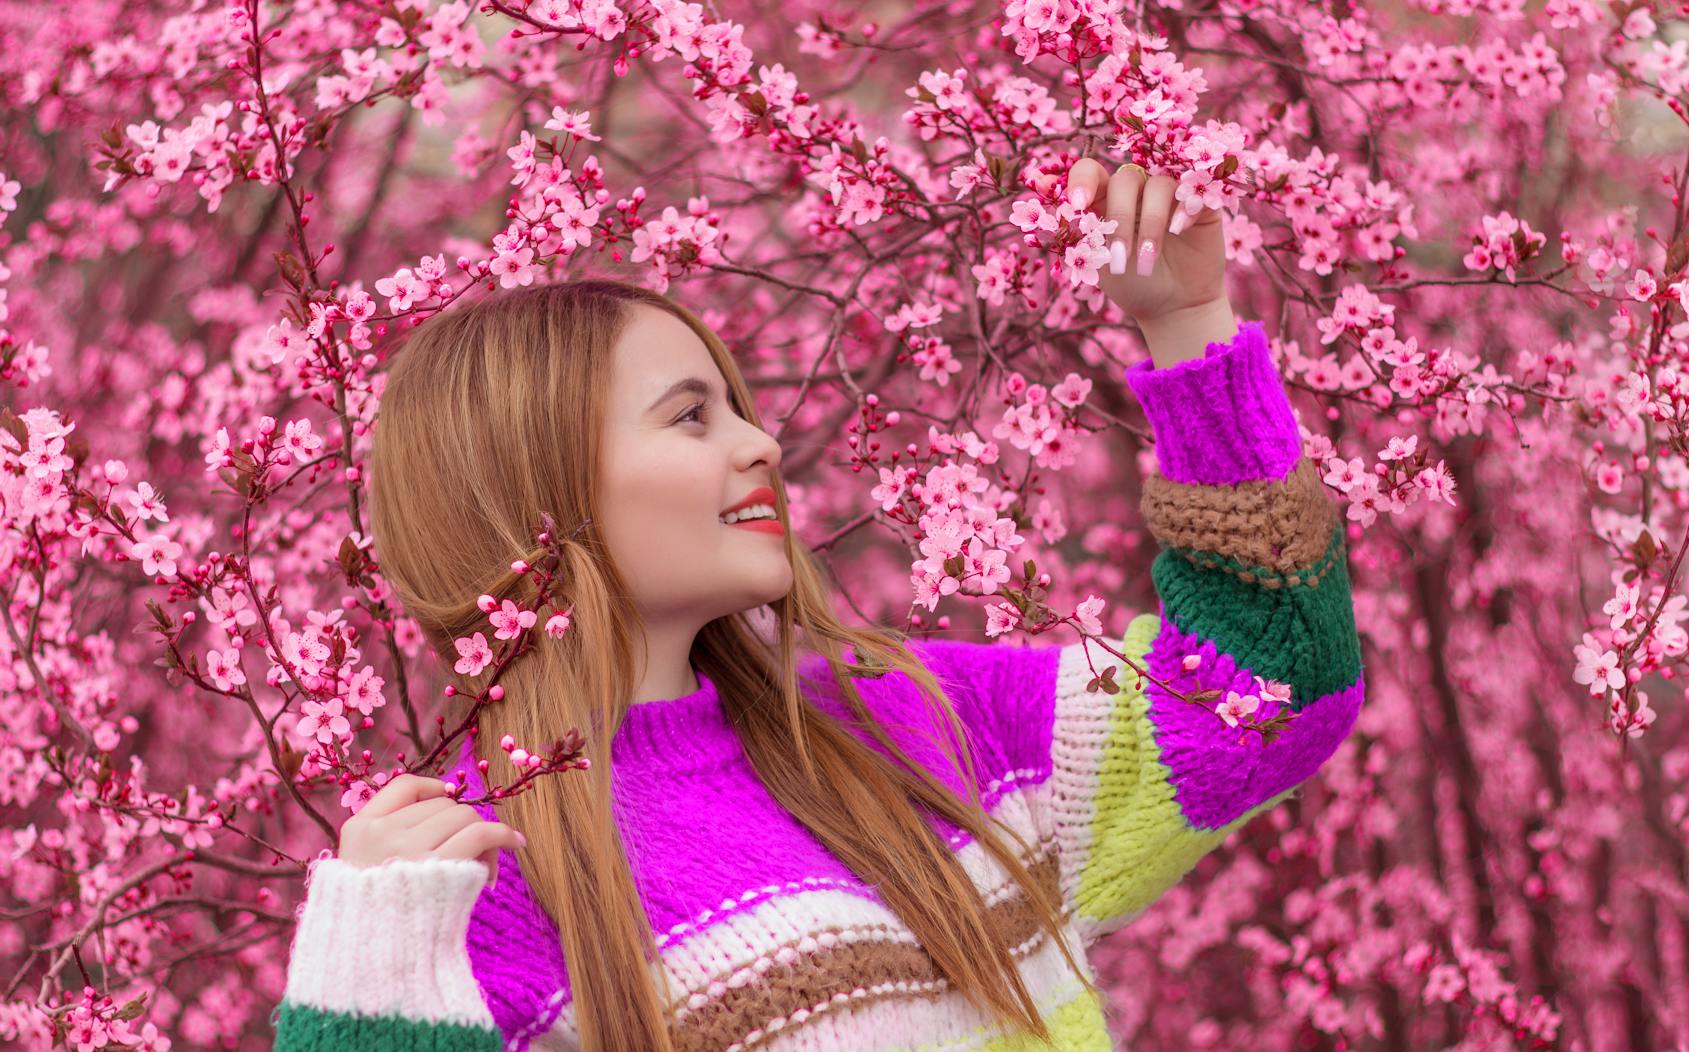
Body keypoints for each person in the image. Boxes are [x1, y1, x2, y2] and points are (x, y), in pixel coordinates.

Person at [269, 158, 1364, 1051]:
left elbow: (1268, 695)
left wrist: (1189, 326)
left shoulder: (924, 723)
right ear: (533, 491)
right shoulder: (473, 887)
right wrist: (369, 970)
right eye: (690, 416)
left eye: (737, 407)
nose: (760, 443)